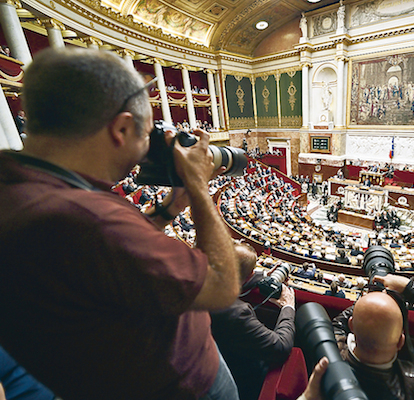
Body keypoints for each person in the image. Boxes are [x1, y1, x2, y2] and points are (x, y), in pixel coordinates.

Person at [0, 48, 242, 400]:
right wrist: (200, 189)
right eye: (146, 135)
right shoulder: (89, 218)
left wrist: (167, 212)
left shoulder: (21, 187)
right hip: (181, 386)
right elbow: (222, 286)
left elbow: (104, 267)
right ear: (122, 127)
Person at [211, 244, 296, 400]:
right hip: (237, 382)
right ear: (249, 276)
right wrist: (288, 307)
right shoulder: (237, 313)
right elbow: (281, 346)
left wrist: (263, 277)